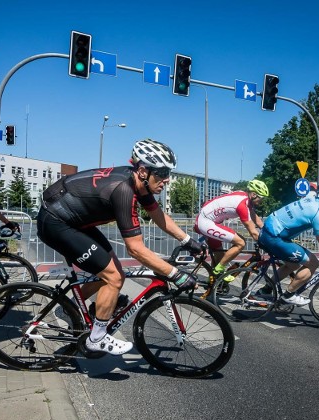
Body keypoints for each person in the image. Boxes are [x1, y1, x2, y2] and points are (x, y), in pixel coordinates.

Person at [36, 138, 204, 355]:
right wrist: (175, 274)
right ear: (143, 171)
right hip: (56, 222)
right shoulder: (124, 191)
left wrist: (187, 241)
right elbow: (136, 249)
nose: (167, 180)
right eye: (162, 173)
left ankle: (69, 309)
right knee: (113, 277)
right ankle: (96, 339)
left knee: (115, 272)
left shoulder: (138, 184)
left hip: (73, 220)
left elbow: (159, 217)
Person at [194, 179, 269, 282]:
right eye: (261, 198)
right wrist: (269, 244)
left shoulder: (244, 197)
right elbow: (253, 233)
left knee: (219, 256)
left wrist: (266, 230)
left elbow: (254, 217)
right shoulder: (242, 205)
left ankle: (213, 283)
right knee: (241, 242)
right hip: (205, 221)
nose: (262, 201)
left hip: (209, 220)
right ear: (253, 194)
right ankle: (218, 271)